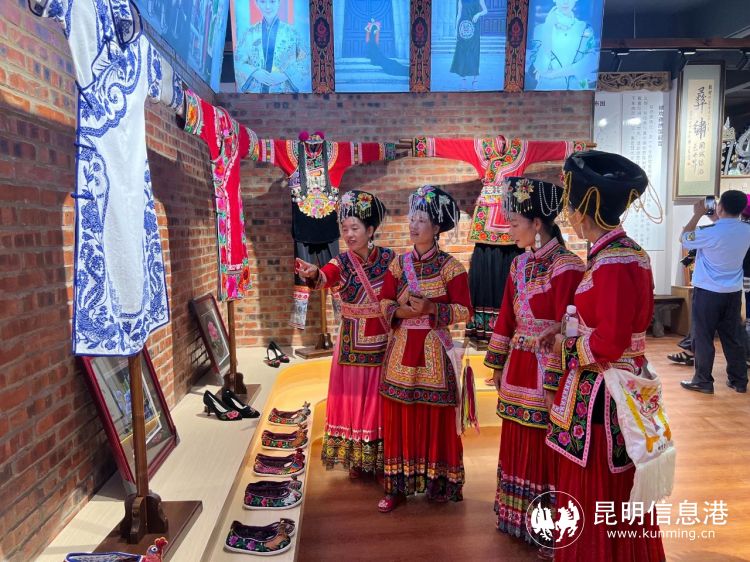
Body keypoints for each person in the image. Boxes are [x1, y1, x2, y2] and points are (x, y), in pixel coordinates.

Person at [544, 150, 666, 561]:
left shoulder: (612, 261)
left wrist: (565, 346)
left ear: (584, 211)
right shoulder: (625, 253)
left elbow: (610, 341)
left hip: (605, 385)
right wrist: (564, 329)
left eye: (571, 208)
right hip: (620, 379)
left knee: (597, 485)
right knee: (613, 488)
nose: (569, 216)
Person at [483, 177, 584, 555]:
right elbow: (505, 319)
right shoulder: (518, 264)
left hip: (548, 371)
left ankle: (551, 527)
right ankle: (516, 517)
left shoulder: (567, 266)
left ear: (537, 223)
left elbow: (567, 327)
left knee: (545, 447)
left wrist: (556, 381)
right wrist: (496, 363)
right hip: (518, 368)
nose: (509, 230)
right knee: (517, 438)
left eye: (514, 223)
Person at [377, 185, 472, 512]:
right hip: (401, 348)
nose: (413, 225)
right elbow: (384, 303)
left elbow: (464, 310)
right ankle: (397, 487)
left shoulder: (451, 268)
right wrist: (402, 312)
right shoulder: (398, 265)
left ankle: (438, 483)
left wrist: (433, 309)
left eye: (421, 220)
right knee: (399, 415)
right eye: (412, 218)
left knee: (435, 416)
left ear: (437, 227)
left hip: (434, 350)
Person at [295, 191, 394, 479]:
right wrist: (313, 273)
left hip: (384, 342)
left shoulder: (390, 259)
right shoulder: (341, 262)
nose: (349, 235)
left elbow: (402, 290)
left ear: (370, 230)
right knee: (352, 400)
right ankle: (357, 461)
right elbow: (325, 276)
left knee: (379, 401)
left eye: (355, 228)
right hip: (352, 344)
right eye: (344, 229)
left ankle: (383, 458)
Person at [679, 190, 750, 394]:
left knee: (703, 337)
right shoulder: (746, 230)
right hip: (733, 292)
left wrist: (697, 214)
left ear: (720, 206)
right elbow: (728, 229)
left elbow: (684, 238)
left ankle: (703, 380)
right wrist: (715, 217)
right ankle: (739, 380)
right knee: (732, 337)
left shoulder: (708, 232)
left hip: (708, 292)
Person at [235, 0, 308, 93]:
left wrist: (285, 75)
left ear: (279, 2)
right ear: (257, 3)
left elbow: (306, 60)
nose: (268, 7)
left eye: (272, 1)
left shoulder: (292, 32)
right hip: (254, 97)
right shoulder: (248, 33)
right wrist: (255, 73)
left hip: (286, 96)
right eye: (263, 2)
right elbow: (238, 62)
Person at [526, 0, 599, 90]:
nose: (565, 2)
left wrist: (554, 74)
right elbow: (539, 68)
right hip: (547, 92)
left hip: (580, 91)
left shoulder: (585, 28)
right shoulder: (540, 29)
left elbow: (592, 61)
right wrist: (548, 28)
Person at [449, 0, 488, 90]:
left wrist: (478, 14)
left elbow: (485, 10)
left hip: (474, 27)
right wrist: (456, 30)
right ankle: (463, 79)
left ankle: (475, 80)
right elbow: (459, 14)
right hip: (462, 28)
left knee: (474, 53)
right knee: (462, 53)